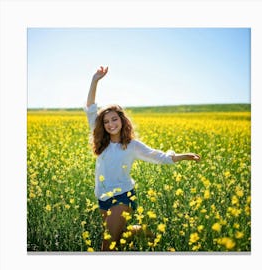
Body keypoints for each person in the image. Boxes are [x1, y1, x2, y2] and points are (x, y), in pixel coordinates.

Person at [84, 66, 201, 251]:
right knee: (120, 236)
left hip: (123, 196)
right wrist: (95, 80)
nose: (110, 124)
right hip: (102, 197)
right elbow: (90, 109)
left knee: (107, 247)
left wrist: (183, 156)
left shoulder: (132, 145)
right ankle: (141, 231)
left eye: (114, 119)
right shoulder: (102, 142)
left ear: (122, 120)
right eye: (106, 122)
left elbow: (159, 157)